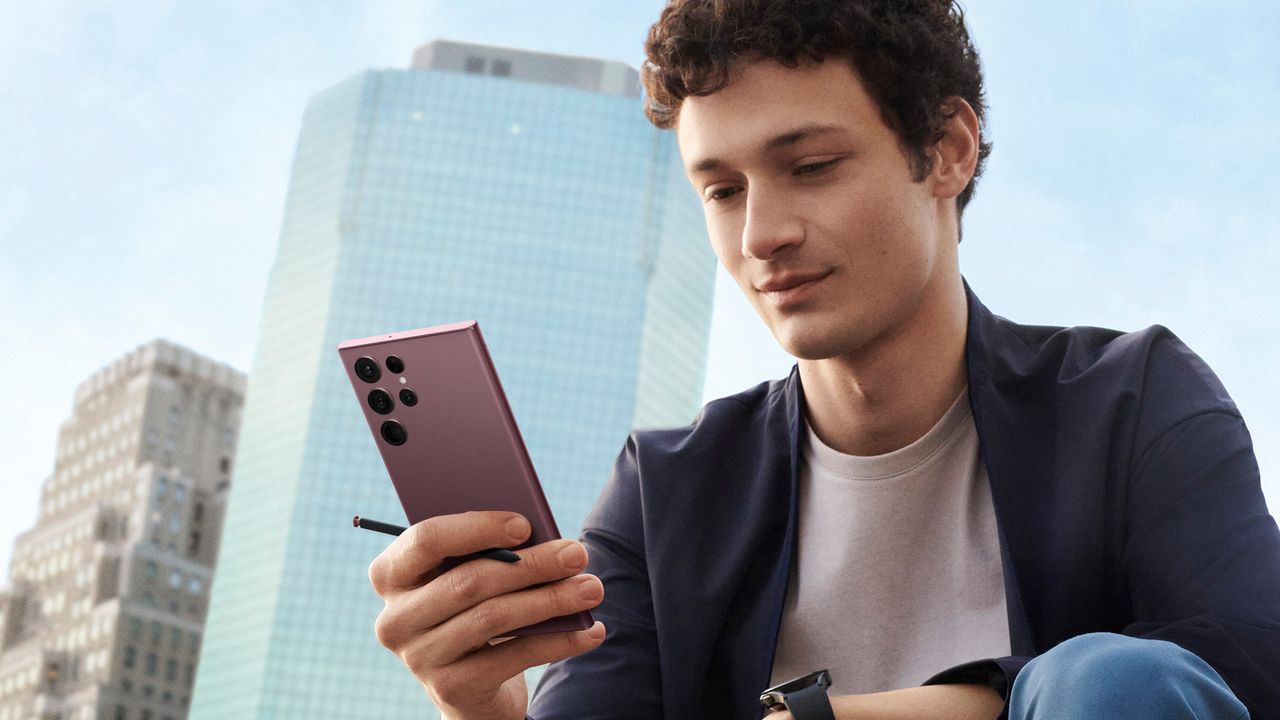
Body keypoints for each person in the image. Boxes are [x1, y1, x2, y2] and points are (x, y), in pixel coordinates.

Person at [366, 1, 1280, 718]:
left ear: (948, 151)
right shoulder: (665, 491)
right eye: (722, 190)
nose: (762, 236)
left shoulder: (1134, 398)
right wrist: (478, 706)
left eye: (810, 167)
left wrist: (920, 707)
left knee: (1102, 683)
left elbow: (1247, 664)